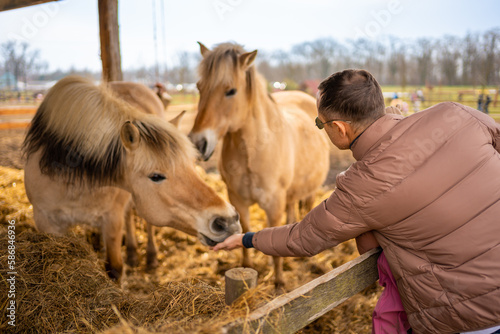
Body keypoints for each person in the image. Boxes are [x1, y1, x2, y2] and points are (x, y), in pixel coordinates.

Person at [213, 69, 500, 334]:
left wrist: (248, 238)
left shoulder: (360, 187)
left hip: (468, 318)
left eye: (319, 124)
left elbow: (302, 238)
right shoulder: (458, 114)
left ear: (339, 128)